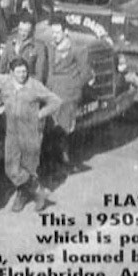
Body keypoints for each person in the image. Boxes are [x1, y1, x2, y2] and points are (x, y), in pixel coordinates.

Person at [0, 59, 63, 212]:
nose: (22, 75)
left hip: (30, 132)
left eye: (24, 72)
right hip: (12, 131)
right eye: (18, 72)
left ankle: (22, 195)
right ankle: (37, 189)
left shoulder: (34, 85)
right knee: (11, 168)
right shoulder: (7, 82)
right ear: (11, 73)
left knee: (29, 166)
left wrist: (40, 114)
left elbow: (56, 101)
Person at [46, 20, 94, 168]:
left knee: (64, 127)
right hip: (51, 90)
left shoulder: (77, 50)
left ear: (66, 32)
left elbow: (85, 73)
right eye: (52, 33)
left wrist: (74, 86)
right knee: (51, 124)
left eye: (57, 33)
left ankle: (63, 157)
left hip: (68, 93)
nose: (54, 36)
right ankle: (52, 156)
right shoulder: (49, 48)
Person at [0, 14, 49, 85]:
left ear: (32, 30)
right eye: (20, 30)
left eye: (26, 31)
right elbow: (1, 68)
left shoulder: (39, 47)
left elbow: (40, 74)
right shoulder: (10, 43)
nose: (22, 33)